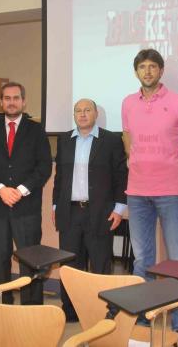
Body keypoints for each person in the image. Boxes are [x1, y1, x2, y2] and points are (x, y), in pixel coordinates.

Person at [121, 48, 178, 347]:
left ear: (161, 71)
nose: (148, 71)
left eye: (153, 66)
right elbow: (128, 141)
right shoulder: (128, 103)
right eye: (143, 67)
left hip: (171, 192)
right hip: (137, 193)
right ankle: (142, 321)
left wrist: (177, 177)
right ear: (136, 71)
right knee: (143, 260)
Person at [0, 82, 52, 304]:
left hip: (26, 208)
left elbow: (44, 166)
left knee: (30, 261)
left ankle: (31, 309)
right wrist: (0, 189)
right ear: (0, 102)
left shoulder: (36, 130)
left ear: (23, 101)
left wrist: (19, 190)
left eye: (16, 98)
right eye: (7, 98)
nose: (11, 102)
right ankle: (3, 307)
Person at [52, 98, 127, 322]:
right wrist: (56, 205)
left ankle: (103, 311)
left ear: (96, 114)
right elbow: (60, 177)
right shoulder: (65, 139)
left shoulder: (111, 139)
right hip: (70, 211)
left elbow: (121, 175)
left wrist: (119, 208)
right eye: (78, 111)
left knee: (100, 263)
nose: (82, 114)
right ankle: (71, 310)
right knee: (70, 265)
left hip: (100, 212)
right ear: (74, 115)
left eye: (87, 110)